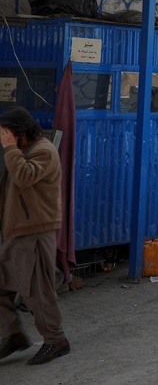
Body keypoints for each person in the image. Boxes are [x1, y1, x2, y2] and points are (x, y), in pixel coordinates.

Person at [0, 107, 71, 366]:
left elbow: (24, 177)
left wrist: (10, 148)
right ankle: (13, 335)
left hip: (35, 232)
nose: (2, 137)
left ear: (19, 132)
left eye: (5, 132)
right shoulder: (23, 151)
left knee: (36, 291)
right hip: (17, 233)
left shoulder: (43, 151)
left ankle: (56, 341)